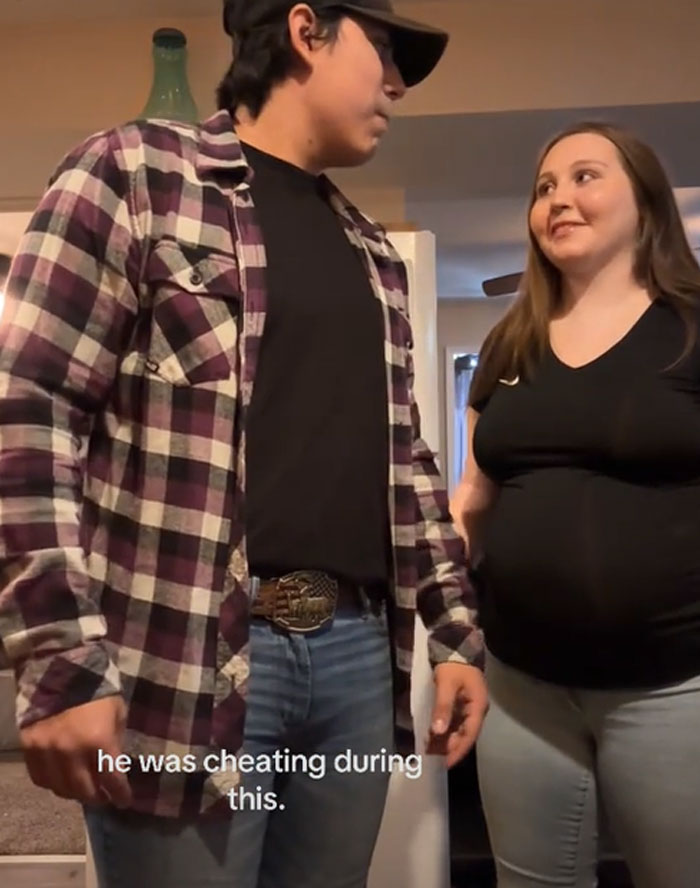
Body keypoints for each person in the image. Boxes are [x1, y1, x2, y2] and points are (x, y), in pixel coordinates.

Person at [0, 2, 487, 887]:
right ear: (306, 29)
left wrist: (455, 632)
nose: (397, 83)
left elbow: (406, 460)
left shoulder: (374, 254)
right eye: (383, 50)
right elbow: (31, 411)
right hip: (182, 659)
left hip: (354, 657)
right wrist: (58, 653)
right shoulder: (135, 173)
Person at [450, 120, 700, 888]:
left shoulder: (692, 329)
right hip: (522, 686)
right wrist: (442, 626)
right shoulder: (508, 344)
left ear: (645, 202)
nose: (557, 199)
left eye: (585, 176)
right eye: (544, 188)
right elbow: (474, 499)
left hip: (672, 687)